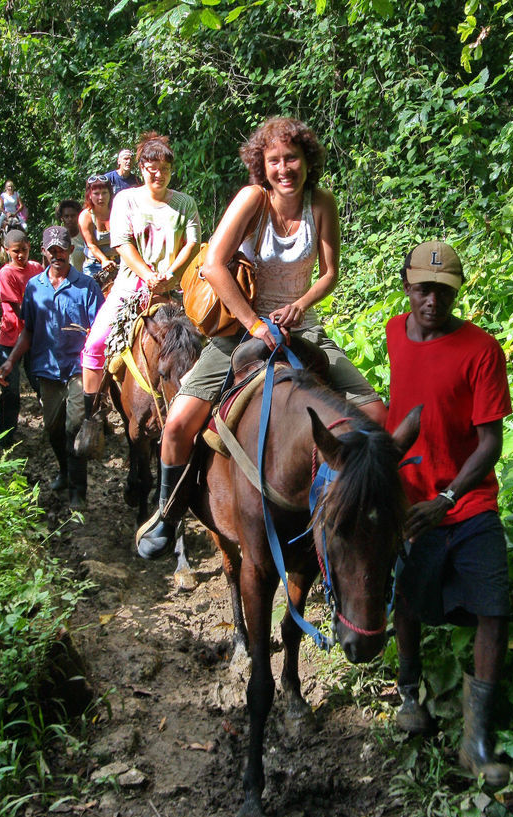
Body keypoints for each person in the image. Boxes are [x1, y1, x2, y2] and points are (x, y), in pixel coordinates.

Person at [136, 116, 387, 560]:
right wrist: (255, 323)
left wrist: (302, 304)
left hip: (303, 328)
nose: (284, 168)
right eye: (274, 160)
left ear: (307, 161)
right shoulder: (254, 199)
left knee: (377, 414)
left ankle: (370, 517)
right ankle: (167, 513)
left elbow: (329, 272)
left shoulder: (322, 203)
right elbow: (212, 264)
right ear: (261, 165)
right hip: (240, 329)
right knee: (176, 425)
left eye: (292, 158)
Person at [385, 240, 512, 788]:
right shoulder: (393, 334)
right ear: (408, 287)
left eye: (442, 290)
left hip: (466, 499)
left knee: (494, 606)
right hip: (412, 500)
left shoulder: (482, 350)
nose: (431, 300)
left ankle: (477, 737)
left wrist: (449, 498)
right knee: (405, 597)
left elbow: (490, 443)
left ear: (454, 293)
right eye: (422, 288)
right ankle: (409, 692)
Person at [81, 131, 201, 419]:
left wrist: (170, 273)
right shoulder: (126, 199)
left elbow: (193, 243)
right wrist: (147, 275)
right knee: (95, 345)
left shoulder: (184, 203)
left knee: (204, 343)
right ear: (142, 169)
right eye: (152, 169)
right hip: (130, 287)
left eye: (165, 170)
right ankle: (91, 417)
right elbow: (122, 243)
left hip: (174, 288)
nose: (158, 175)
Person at [0, 226, 105, 509]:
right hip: (46, 369)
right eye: (52, 250)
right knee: (53, 429)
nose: (57, 255)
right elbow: (29, 331)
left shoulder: (87, 286)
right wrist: (10, 361)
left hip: (78, 369)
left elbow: (100, 331)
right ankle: (65, 471)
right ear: (44, 252)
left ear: (71, 250)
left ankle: (78, 491)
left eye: (62, 249)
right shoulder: (35, 287)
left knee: (74, 428)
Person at [0, 230, 44, 447]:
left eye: (24, 250)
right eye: (15, 252)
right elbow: (18, 308)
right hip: (12, 339)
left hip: (34, 337)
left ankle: (53, 429)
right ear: (7, 251)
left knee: (41, 383)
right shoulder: (6, 274)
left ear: (29, 247)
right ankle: (5, 438)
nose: (20, 256)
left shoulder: (36, 268)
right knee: (11, 390)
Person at [78, 175, 118, 279]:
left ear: (110, 193)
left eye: (104, 193)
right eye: (96, 194)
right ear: (89, 195)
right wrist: (104, 260)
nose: (101, 197)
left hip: (120, 262)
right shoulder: (86, 216)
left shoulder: (118, 211)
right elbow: (91, 245)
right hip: (94, 266)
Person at [56, 199, 86, 272]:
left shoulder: (85, 235)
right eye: (66, 216)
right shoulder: (56, 238)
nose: (70, 219)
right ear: (61, 218)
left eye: (73, 216)